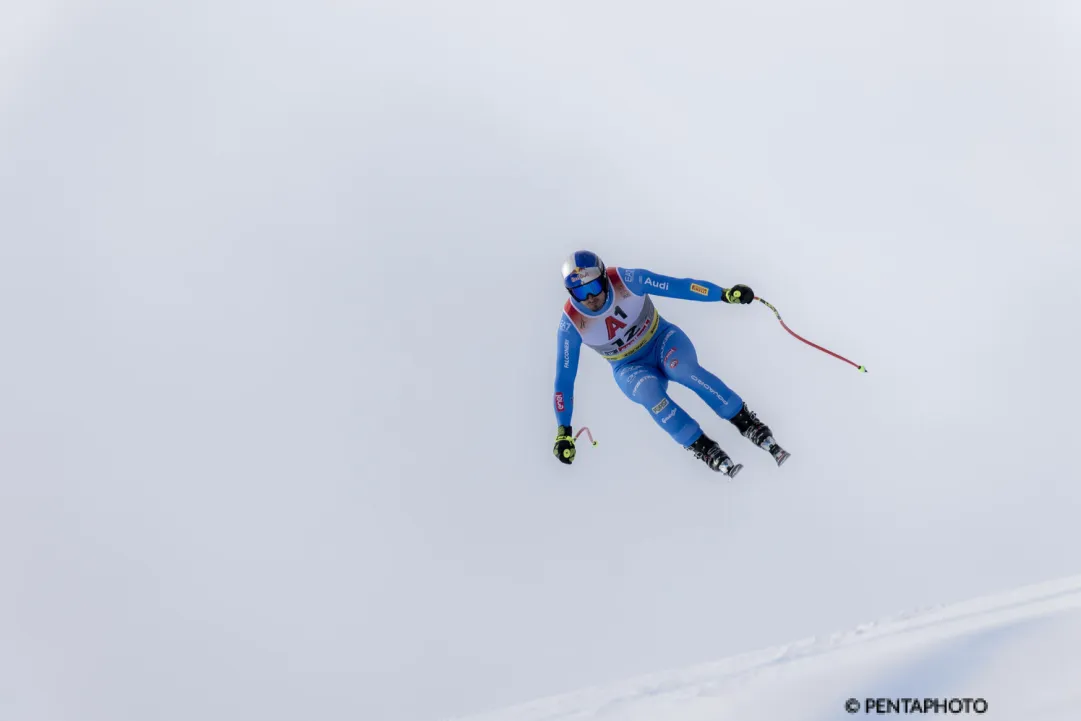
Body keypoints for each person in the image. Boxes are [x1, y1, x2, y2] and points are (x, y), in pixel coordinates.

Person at [552, 250, 790, 476]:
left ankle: (747, 422)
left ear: (604, 278)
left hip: (661, 340)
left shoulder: (626, 280)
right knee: (648, 392)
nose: (591, 298)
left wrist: (724, 294)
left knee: (682, 369)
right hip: (628, 367)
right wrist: (563, 431)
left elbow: (679, 286)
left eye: (593, 287)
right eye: (580, 293)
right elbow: (564, 379)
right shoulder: (570, 324)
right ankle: (704, 448)